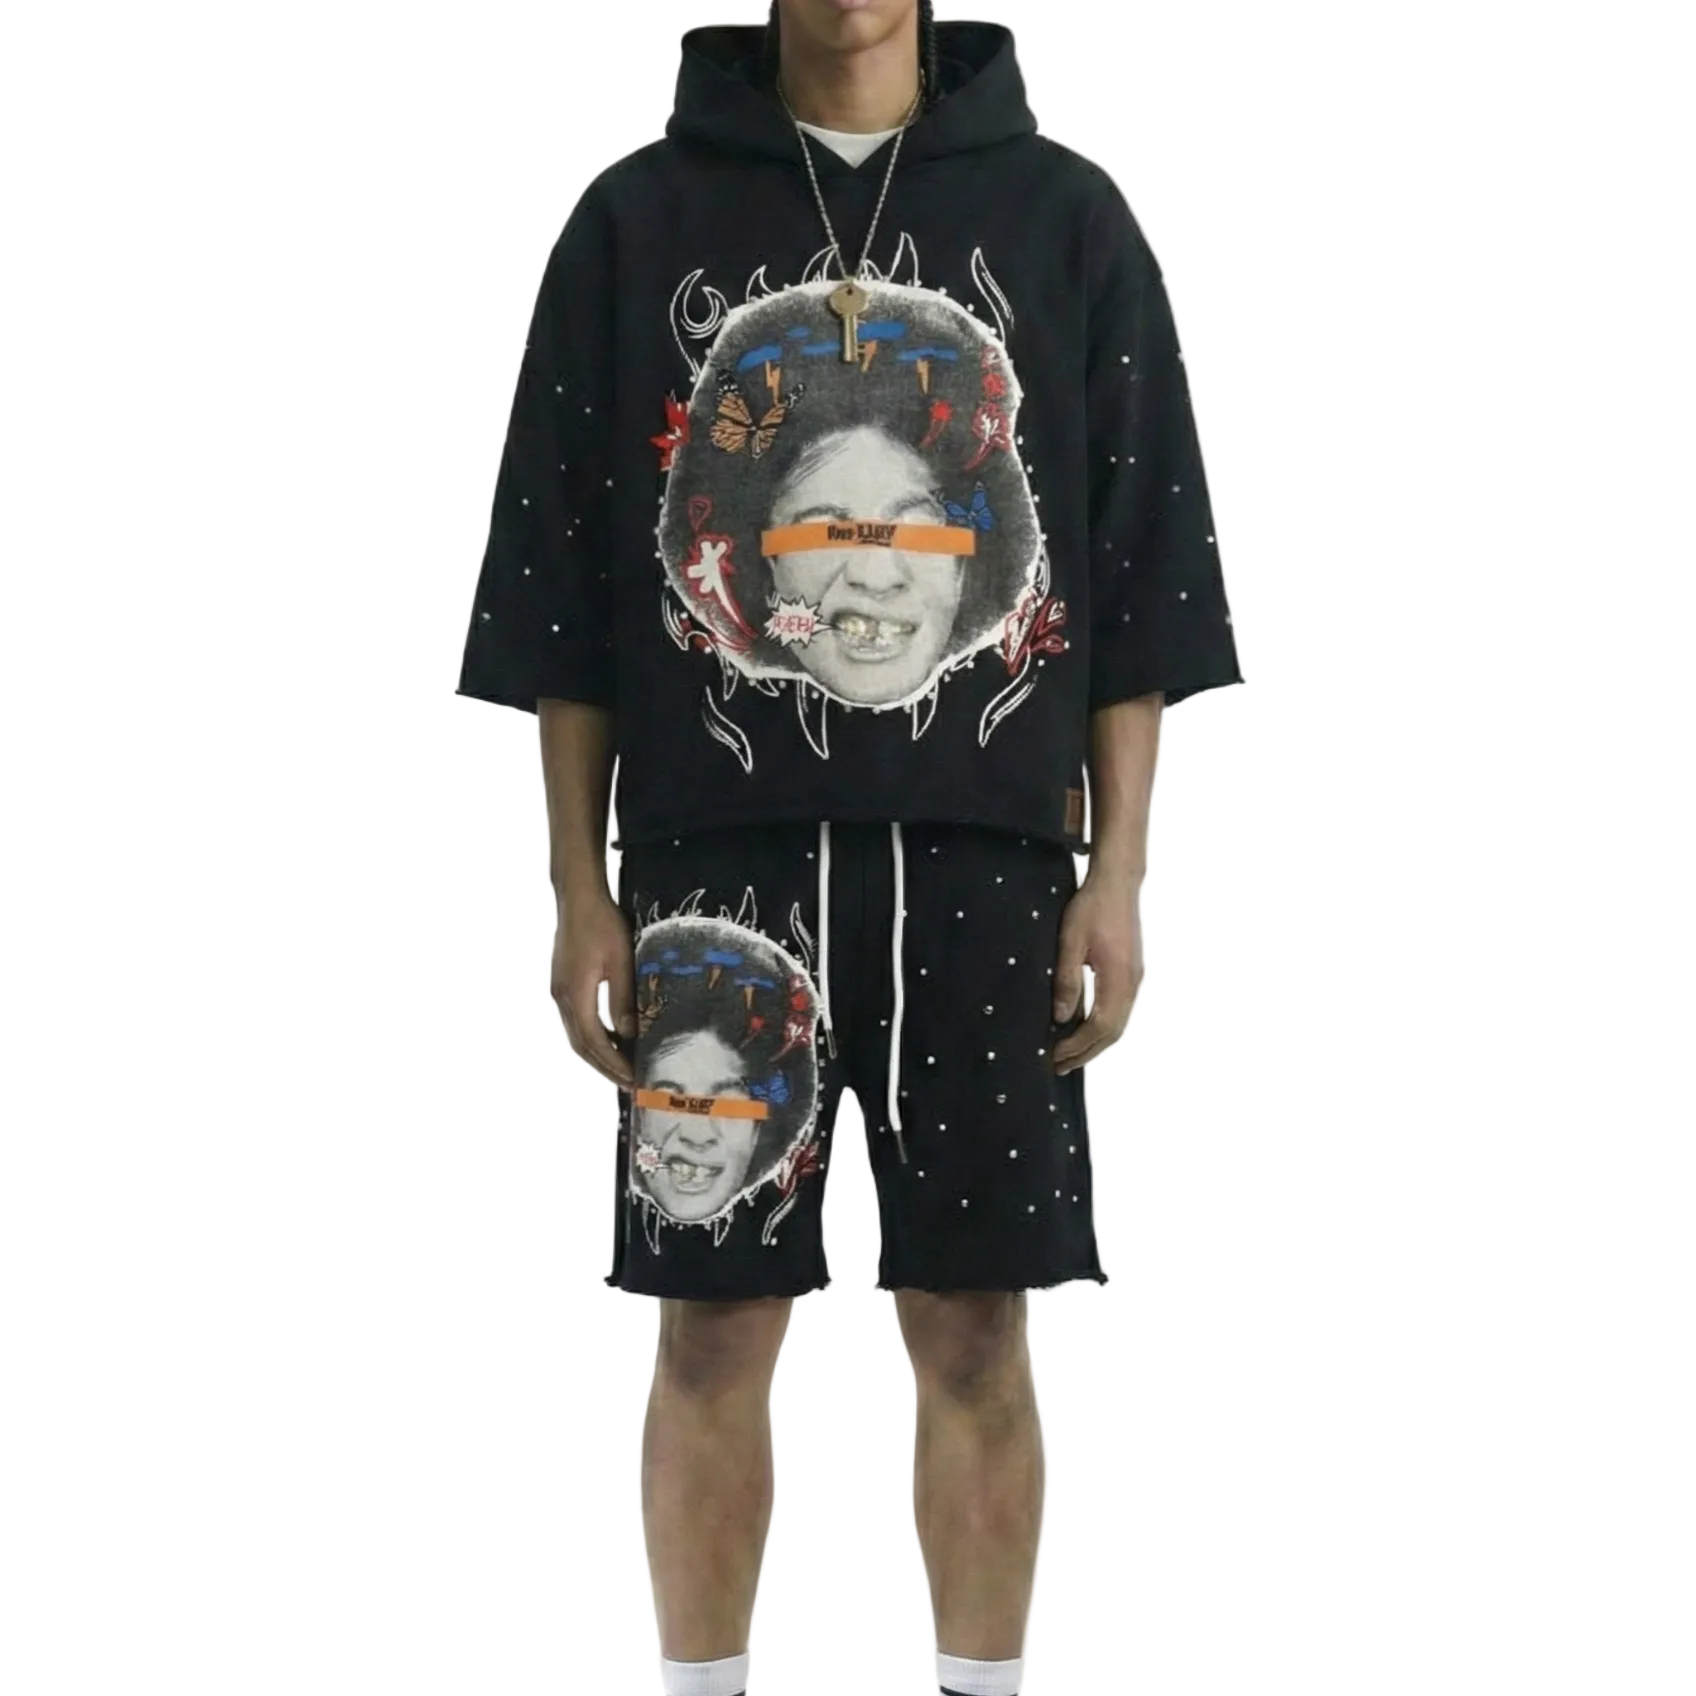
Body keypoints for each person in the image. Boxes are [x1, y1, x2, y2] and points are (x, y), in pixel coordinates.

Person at [456, 4, 1243, 1693]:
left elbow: (1140, 566)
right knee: (712, 1325)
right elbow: (562, 586)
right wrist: (578, 887)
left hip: (991, 867)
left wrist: (1120, 872)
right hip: (714, 866)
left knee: (976, 1323)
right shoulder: (633, 219)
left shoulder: (1068, 215)